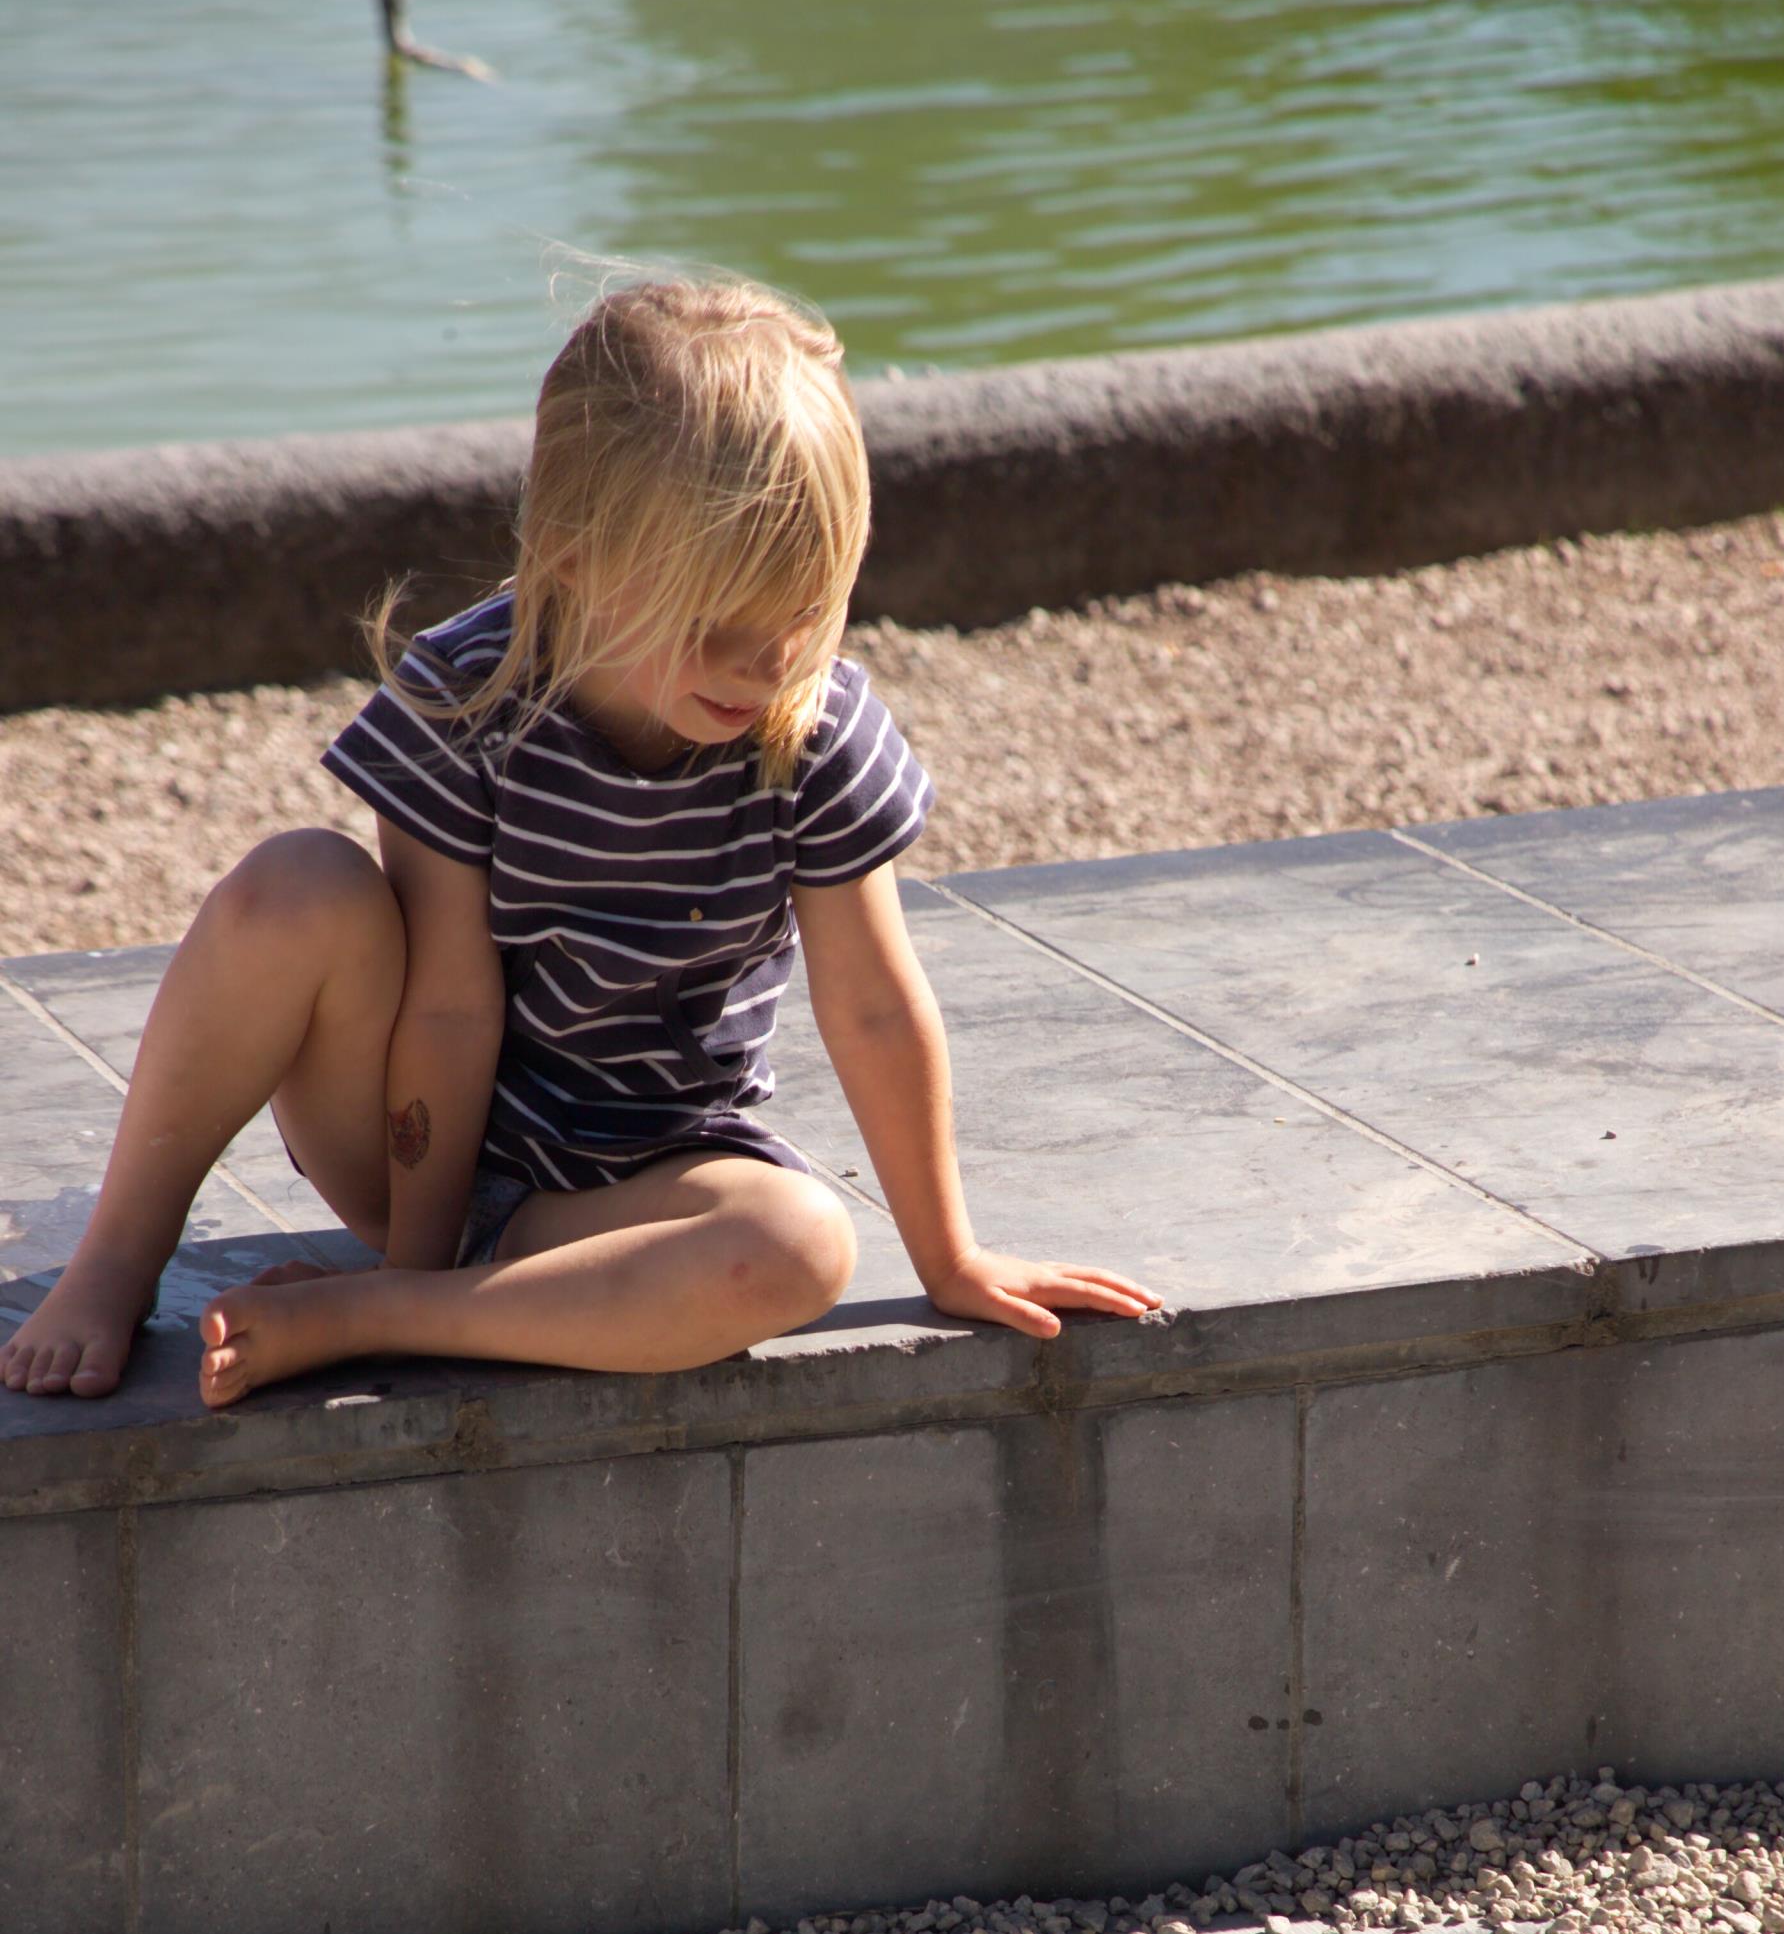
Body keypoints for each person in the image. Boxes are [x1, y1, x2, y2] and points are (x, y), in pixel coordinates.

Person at [2, 274, 1159, 1408]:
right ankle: (121, 1256)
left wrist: (950, 1260)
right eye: (717, 628)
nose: (766, 670)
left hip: (633, 1183)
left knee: (800, 1245)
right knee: (292, 885)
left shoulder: (812, 729)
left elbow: (872, 1004)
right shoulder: (469, 697)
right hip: (408, 1145)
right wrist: (419, 1244)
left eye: (802, 617)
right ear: (573, 561)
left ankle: (376, 1315)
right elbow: (446, 1010)